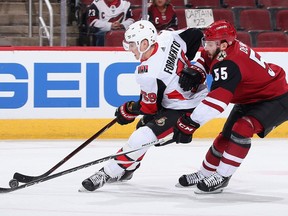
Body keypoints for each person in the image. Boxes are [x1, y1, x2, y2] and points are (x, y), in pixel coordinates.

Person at [79, 20, 208, 192]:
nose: (130, 49)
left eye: (132, 44)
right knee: (143, 126)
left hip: (185, 108)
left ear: (144, 43)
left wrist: (128, 109)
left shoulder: (147, 72)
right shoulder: (167, 37)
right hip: (183, 100)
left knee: (141, 137)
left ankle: (107, 173)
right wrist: (192, 69)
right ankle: (128, 168)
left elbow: (149, 109)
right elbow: (196, 34)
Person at [173, 20, 288, 194]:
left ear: (224, 44)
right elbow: (206, 59)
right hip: (252, 96)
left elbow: (217, 102)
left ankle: (222, 176)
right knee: (225, 137)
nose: (206, 47)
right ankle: (204, 173)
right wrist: (197, 71)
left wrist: (191, 122)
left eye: (210, 43)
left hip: (276, 98)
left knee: (242, 128)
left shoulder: (229, 63)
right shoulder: (222, 49)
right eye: (206, 42)